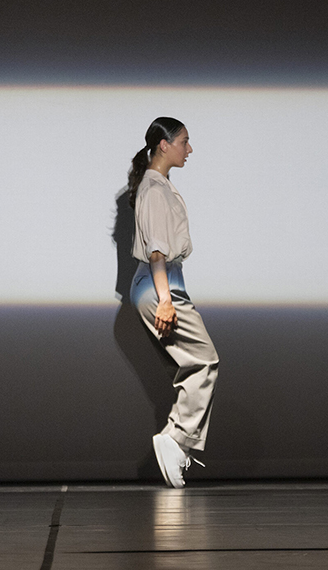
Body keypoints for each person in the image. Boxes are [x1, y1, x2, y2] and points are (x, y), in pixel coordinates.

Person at [127, 117, 219, 489]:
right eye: (184, 141)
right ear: (164, 145)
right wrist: (166, 300)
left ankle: (175, 439)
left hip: (161, 283)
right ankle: (177, 438)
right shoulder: (154, 188)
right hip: (159, 284)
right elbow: (157, 252)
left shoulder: (158, 186)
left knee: (192, 364)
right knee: (204, 360)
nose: (189, 149)